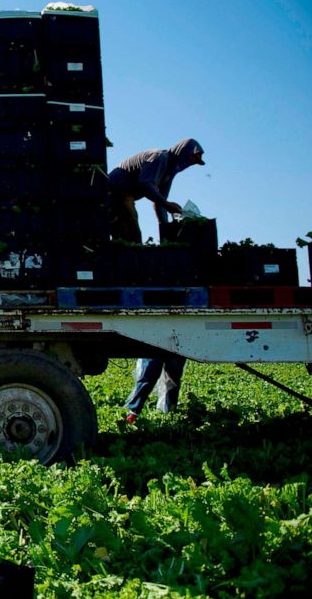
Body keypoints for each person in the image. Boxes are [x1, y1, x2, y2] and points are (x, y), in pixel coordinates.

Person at [109, 139, 204, 422]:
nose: (189, 165)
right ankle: (128, 279)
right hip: (116, 192)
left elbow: (158, 204)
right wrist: (164, 203)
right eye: (191, 159)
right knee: (131, 242)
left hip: (128, 196)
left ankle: (161, 409)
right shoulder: (160, 158)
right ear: (183, 153)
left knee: (135, 240)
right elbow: (151, 190)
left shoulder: (170, 170)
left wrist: (168, 231)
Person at [108, 138, 205, 244]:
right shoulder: (160, 157)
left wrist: (165, 230)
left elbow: (160, 202)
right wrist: (166, 204)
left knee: (126, 234)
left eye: (194, 161)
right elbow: (145, 185)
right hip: (116, 189)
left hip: (125, 195)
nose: (191, 162)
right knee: (131, 234)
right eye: (192, 157)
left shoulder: (169, 172)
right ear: (182, 151)